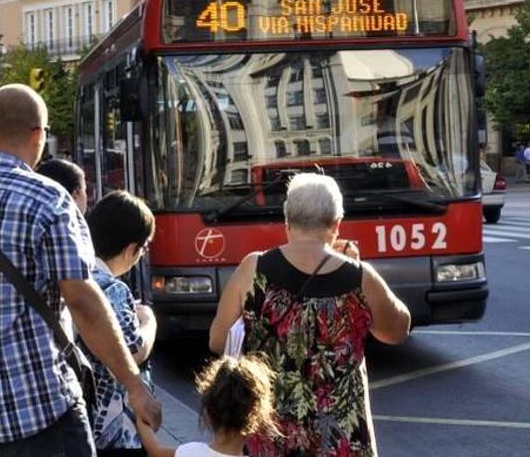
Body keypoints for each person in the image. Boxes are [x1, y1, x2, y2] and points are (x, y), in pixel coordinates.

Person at [0, 84, 162, 456]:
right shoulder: (49, 199)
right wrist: (134, 385)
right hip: (37, 414)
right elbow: (83, 301)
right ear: (38, 135)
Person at [208, 173, 411, 456]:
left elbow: (218, 341)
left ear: (287, 221)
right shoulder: (359, 277)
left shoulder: (253, 269)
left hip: (270, 430)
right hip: (340, 435)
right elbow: (398, 330)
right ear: (336, 225)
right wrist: (358, 267)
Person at [83, 190, 158, 455]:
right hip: (114, 429)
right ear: (131, 249)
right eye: (144, 248)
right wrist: (149, 321)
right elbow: (131, 353)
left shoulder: (77, 279)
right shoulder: (112, 289)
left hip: (84, 423)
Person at [136, 356, 279, 457]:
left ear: (207, 414)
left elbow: (155, 450)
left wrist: (138, 412)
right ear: (257, 421)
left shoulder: (190, 452)